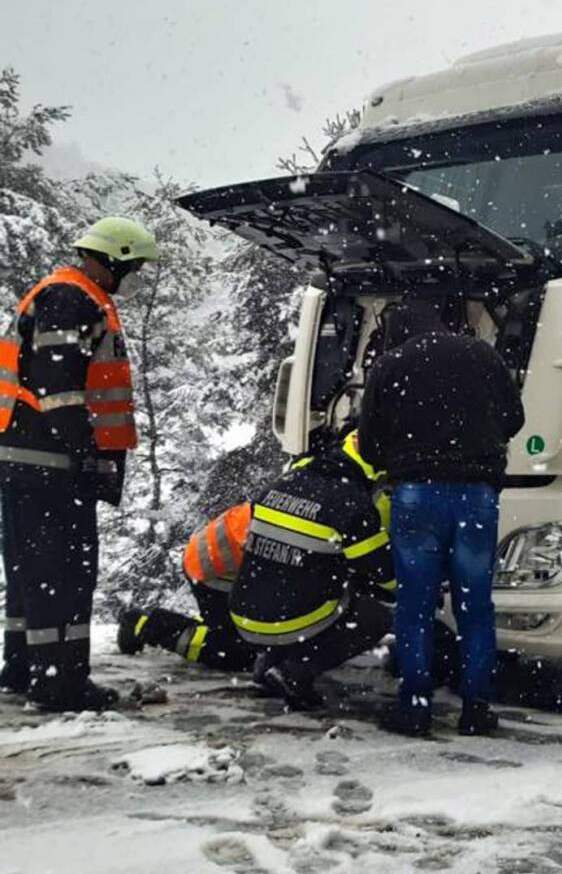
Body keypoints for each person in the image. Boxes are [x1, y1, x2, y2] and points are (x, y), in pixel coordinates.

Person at [0, 217, 157, 710]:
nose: (138, 277)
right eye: (135, 266)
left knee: (32, 569)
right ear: (115, 258)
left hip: (27, 459)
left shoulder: (64, 294)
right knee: (64, 571)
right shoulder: (73, 298)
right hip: (50, 463)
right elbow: (58, 389)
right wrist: (85, 455)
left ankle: (25, 667)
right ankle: (59, 682)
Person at [360, 302, 524, 737]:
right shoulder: (483, 356)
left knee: (414, 606)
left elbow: (370, 445)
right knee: (475, 606)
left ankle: (415, 707)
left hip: (416, 497)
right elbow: (514, 419)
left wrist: (409, 449)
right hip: (477, 498)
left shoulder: (391, 364)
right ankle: (476, 707)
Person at [226, 431, 396, 710]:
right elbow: (385, 576)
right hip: (287, 619)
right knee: (373, 617)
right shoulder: (352, 501)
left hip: (244, 612)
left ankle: (268, 664)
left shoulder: (284, 482)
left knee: (296, 584)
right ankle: (294, 672)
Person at [115, 504, 260, 672]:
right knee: (240, 653)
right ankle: (146, 625)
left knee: (261, 646)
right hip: (214, 570)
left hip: (219, 560)